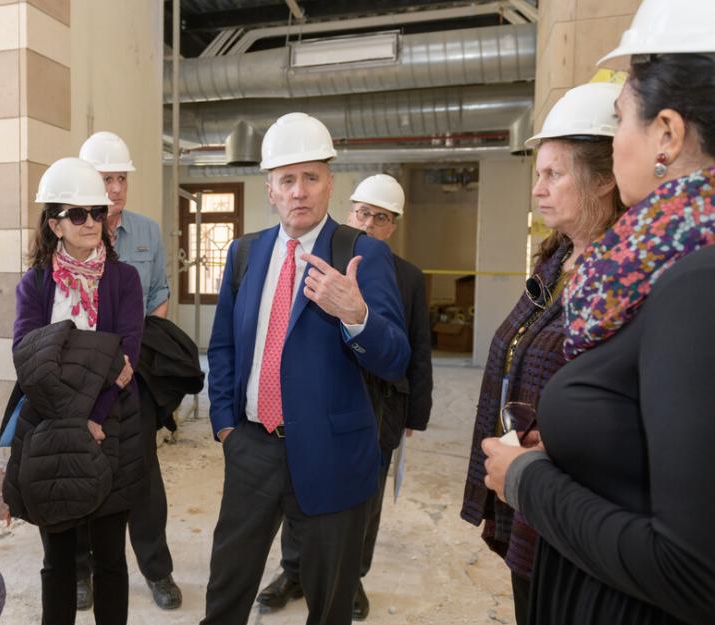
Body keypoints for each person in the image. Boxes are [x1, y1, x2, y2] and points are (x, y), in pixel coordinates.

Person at [483, 2, 715, 622]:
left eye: (620, 119)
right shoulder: (659, 260)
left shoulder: (700, 281)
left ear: (666, 134)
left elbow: (694, 569)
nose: (616, 140)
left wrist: (527, 479)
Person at [201, 112, 410, 625]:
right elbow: (224, 343)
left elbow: (396, 358)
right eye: (287, 180)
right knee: (227, 589)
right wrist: (226, 423)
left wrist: (355, 315)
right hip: (252, 446)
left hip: (333, 453)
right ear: (270, 189)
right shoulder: (246, 252)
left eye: (311, 178)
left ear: (329, 184)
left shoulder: (362, 254)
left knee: (328, 600)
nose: (300, 192)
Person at [458, 80, 625, 623]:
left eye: (554, 174)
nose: (538, 189)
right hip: (527, 484)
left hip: (575, 503)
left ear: (603, 180)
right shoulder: (554, 264)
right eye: (539, 174)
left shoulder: (624, 276)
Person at [257, 173, 434, 621]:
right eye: (364, 213)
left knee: (365, 497)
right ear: (350, 210)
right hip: (329, 404)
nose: (370, 224)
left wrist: (418, 409)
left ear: (392, 226)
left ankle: (351, 576)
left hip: (383, 405)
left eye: (381, 218)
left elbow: (417, 345)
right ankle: (293, 571)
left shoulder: (409, 277)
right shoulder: (319, 258)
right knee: (301, 487)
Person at [4, 156, 146, 625]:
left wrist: (94, 414)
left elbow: (125, 361)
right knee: (59, 561)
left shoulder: (124, 280)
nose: (91, 223)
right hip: (52, 430)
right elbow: (30, 363)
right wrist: (72, 414)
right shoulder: (36, 284)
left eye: (97, 213)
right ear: (54, 224)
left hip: (112, 427)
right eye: (78, 214)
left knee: (109, 558)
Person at [79, 130, 181, 610]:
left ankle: (157, 571)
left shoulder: (145, 232)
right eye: (106, 179)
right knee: (81, 475)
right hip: (83, 378)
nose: (116, 189)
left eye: (121, 178)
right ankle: (80, 573)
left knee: (142, 477)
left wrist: (140, 360)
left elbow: (158, 297)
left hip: (133, 379)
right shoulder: (72, 230)